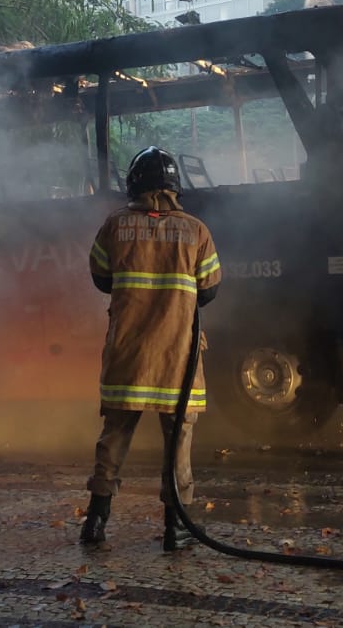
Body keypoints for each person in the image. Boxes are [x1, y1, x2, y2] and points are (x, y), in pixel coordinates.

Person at [79, 146, 221, 551]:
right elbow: (209, 290)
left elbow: (101, 279)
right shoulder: (197, 230)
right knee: (178, 441)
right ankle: (176, 527)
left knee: (114, 436)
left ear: (134, 185)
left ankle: (95, 521)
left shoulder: (114, 226)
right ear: (174, 186)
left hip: (128, 354)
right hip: (178, 356)